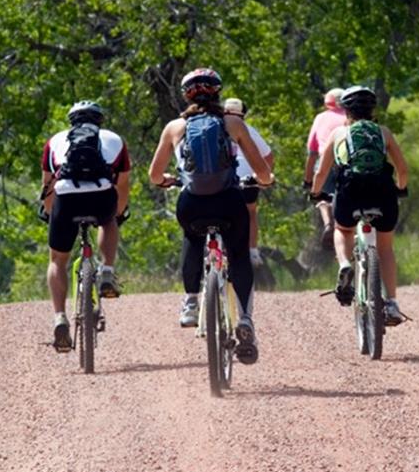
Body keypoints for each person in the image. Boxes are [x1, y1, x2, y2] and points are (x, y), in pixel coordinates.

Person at [148, 68, 273, 364]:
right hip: (229, 200)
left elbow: (154, 175)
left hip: (192, 203)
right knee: (239, 255)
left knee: (192, 238)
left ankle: (191, 302)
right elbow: (263, 171)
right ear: (217, 92)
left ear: (185, 96)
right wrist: (263, 180)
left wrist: (167, 179)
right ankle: (244, 318)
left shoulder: (174, 128)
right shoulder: (232, 123)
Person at [311, 85, 409, 325]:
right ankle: (393, 303)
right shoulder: (383, 132)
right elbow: (402, 169)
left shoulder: (337, 135)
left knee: (342, 229)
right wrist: (401, 187)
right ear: (372, 109)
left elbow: (321, 172)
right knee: (385, 249)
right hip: (382, 193)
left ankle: (345, 264)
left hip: (350, 192)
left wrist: (316, 193)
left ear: (347, 111)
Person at [39, 100, 131, 352]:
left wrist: (51, 214)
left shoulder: (55, 141)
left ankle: (59, 318)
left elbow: (48, 186)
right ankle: (108, 272)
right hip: (101, 197)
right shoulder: (114, 139)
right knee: (109, 221)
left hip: (66, 198)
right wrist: (118, 213)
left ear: (72, 121)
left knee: (57, 260)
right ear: (99, 120)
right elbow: (122, 185)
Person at [223, 98, 275, 268]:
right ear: (243, 114)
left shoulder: (215, 127)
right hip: (246, 180)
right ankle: (252, 251)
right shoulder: (248, 130)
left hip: (220, 179)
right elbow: (268, 156)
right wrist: (262, 177)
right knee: (250, 212)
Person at [303, 88, 347, 248]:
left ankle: (328, 223)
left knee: (322, 197)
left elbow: (312, 151)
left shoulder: (320, 118)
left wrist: (308, 180)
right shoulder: (350, 118)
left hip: (325, 162)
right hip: (348, 162)